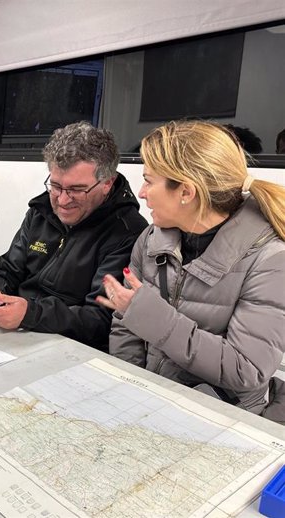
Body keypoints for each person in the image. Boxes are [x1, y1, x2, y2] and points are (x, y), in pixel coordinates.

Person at [101, 120, 285, 422]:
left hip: (219, 417)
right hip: (152, 402)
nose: (141, 192)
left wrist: (151, 316)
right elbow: (124, 324)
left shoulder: (270, 259)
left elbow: (246, 369)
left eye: (149, 180)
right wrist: (132, 386)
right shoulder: (150, 240)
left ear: (186, 192)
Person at [0, 121, 147, 349]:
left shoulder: (127, 232)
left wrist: (31, 314)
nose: (63, 200)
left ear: (107, 183)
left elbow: (100, 320)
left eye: (76, 190)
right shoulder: (41, 210)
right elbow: (8, 269)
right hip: (16, 332)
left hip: (68, 345)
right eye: (55, 186)